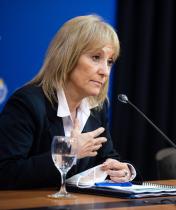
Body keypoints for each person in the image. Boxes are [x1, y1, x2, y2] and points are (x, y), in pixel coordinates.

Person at [0, 15, 136, 189]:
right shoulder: (28, 103)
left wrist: (122, 171)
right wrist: (68, 153)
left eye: (109, 62)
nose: (105, 71)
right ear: (68, 56)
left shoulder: (96, 107)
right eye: (96, 57)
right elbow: (5, 172)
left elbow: (107, 157)